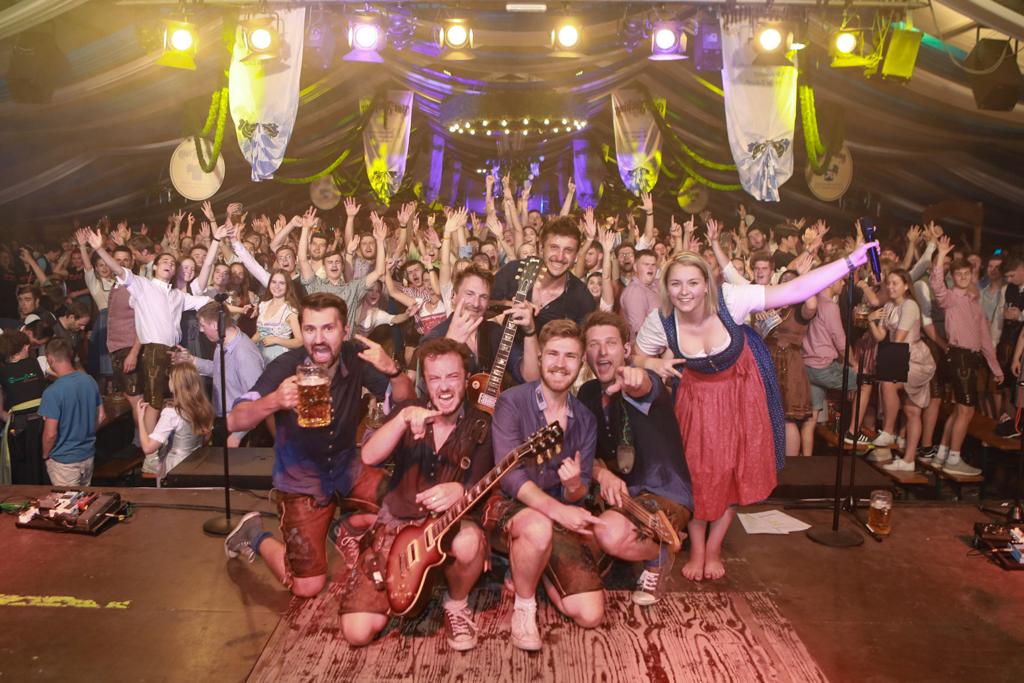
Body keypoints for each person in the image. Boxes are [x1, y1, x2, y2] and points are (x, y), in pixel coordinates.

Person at [634, 243, 877, 581]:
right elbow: (636, 356)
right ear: (666, 287)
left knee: (734, 471)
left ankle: (714, 548)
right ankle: (698, 549)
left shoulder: (731, 299)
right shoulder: (661, 320)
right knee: (697, 474)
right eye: (676, 284)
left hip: (740, 391)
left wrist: (849, 261)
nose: (684, 292)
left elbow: (795, 290)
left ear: (707, 284)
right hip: (696, 398)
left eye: (692, 283)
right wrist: (652, 363)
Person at [223, 293, 414, 599]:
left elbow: (407, 403)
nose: (319, 339)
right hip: (302, 482)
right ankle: (255, 534)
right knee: (307, 586)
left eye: (328, 328)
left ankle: (347, 526)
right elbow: (234, 421)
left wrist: (393, 370)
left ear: (345, 330)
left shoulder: (356, 356)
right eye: (310, 329)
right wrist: (274, 401)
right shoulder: (286, 365)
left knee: (409, 508)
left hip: (347, 468)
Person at [340, 338, 492, 650]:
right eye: (435, 378)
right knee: (357, 632)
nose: (444, 387)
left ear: (466, 378)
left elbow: (486, 483)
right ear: (425, 382)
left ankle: (455, 602)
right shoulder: (408, 410)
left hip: (447, 528)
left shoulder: (482, 423)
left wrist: (460, 490)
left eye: (452, 376)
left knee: (470, 541)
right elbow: (369, 456)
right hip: (397, 530)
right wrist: (402, 419)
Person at [487, 320, 602, 651]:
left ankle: (530, 569)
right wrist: (559, 511)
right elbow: (509, 475)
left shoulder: (585, 419)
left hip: (557, 512)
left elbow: (579, 491)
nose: (560, 364)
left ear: (581, 363)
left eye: (570, 356)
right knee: (538, 527)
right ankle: (525, 606)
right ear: (539, 357)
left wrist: (573, 487)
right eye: (553, 354)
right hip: (510, 506)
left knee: (590, 614)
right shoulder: (512, 402)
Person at [578, 311, 693, 605]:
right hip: (620, 498)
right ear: (585, 354)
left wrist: (635, 378)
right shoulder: (588, 393)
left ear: (626, 349)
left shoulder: (644, 382)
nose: (602, 352)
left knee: (609, 534)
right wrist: (601, 474)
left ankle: (660, 555)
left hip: (663, 493)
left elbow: (644, 384)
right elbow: (582, 453)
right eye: (593, 345)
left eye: (611, 343)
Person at [86, 228, 212, 435]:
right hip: (153, 351)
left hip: (174, 351)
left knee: (177, 396)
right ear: (154, 267)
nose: (169, 264)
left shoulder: (177, 295)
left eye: (172, 263)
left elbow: (205, 301)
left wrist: (238, 308)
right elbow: (119, 271)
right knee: (154, 401)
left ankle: (172, 439)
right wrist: (99, 249)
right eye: (164, 262)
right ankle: (149, 447)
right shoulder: (143, 285)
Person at [928, 236, 1002, 475]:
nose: (962, 277)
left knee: (961, 409)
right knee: (966, 410)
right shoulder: (951, 298)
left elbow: (985, 340)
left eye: (965, 274)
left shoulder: (975, 304)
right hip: (959, 358)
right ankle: (954, 459)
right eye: (958, 274)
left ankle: (942, 454)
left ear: (971, 276)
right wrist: (941, 255)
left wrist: (996, 368)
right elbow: (937, 286)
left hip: (970, 359)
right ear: (953, 276)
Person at [866, 270, 935, 472]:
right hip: (899, 357)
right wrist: (870, 320)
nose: (890, 287)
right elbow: (880, 336)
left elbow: (899, 339)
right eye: (888, 283)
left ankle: (888, 431)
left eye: (895, 283)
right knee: (911, 411)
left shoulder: (910, 305)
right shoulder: (888, 306)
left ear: (906, 286)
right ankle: (908, 460)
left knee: (889, 384)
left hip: (915, 359)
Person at [172, 302, 265, 447]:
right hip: (223, 421)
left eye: (203, 325)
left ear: (215, 325)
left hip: (240, 428)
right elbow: (220, 370)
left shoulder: (245, 354)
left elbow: (257, 400)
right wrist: (192, 360)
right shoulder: (223, 343)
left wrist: (237, 436)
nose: (201, 330)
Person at [133, 363, 214, 482]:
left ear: (176, 384)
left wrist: (141, 418)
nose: (169, 381)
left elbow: (148, 448)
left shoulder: (172, 413)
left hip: (176, 468)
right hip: (197, 464)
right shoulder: (204, 408)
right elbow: (206, 438)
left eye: (170, 378)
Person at [39, 338, 104, 487]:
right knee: (84, 500)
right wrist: (85, 434)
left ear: (50, 359)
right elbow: (101, 416)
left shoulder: (52, 392)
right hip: (88, 456)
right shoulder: (89, 381)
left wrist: (45, 455)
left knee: (67, 501)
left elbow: (50, 434)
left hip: (64, 461)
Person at [0, 330, 47, 484]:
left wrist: (9, 418)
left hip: (19, 425)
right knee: (41, 466)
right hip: (42, 422)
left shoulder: (3, 370)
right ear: (23, 347)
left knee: (23, 469)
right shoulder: (34, 363)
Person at [253, 270, 303, 364]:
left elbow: (299, 341)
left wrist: (277, 340)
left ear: (288, 286)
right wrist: (247, 345)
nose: (277, 286)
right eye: (274, 282)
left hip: (278, 360)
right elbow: (259, 333)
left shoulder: (290, 311)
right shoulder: (263, 305)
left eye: (281, 283)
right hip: (259, 356)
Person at [619, 249, 661, 340]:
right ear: (635, 267)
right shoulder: (635, 292)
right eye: (646, 264)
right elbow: (639, 330)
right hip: (648, 346)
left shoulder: (656, 284)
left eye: (653, 265)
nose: (650, 268)